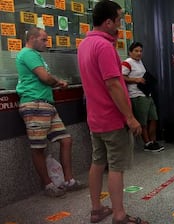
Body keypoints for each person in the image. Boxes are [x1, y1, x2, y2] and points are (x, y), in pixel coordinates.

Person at [77, 1, 149, 224]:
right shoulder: (104, 47)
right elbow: (113, 85)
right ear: (108, 22)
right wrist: (129, 117)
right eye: (118, 19)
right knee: (116, 168)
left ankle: (96, 209)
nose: (120, 23)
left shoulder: (84, 45)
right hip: (112, 118)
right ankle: (119, 215)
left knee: (97, 163)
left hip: (95, 118)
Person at [15, 27, 85, 198]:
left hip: (46, 104)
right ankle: (48, 185)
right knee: (38, 147)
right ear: (32, 38)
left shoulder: (35, 55)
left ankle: (69, 180)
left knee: (66, 139)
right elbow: (45, 78)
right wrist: (59, 82)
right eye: (43, 40)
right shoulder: (28, 53)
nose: (47, 43)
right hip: (34, 104)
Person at [122, 42, 164, 152]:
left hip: (146, 94)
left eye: (140, 51)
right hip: (137, 95)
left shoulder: (140, 62)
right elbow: (122, 77)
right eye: (136, 51)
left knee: (153, 118)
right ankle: (147, 143)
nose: (139, 53)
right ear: (130, 52)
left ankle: (153, 141)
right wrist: (135, 80)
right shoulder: (127, 63)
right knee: (143, 121)